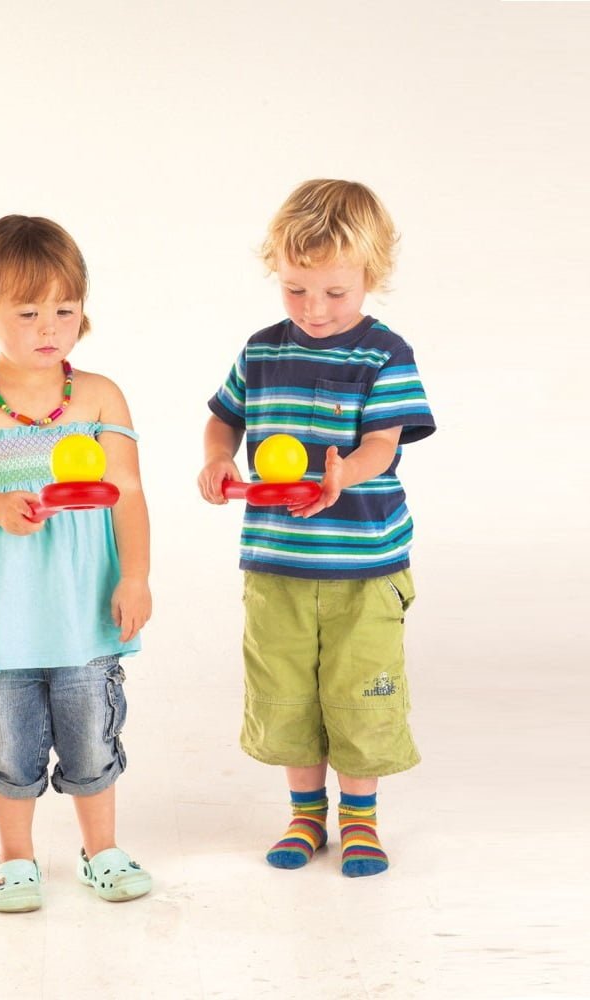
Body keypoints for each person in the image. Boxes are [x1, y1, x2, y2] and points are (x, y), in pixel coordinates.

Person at [197, 180, 436, 877]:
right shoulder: (261, 351)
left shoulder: (384, 353)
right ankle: (306, 815)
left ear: (371, 275)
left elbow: (382, 446)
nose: (314, 308)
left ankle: (359, 819)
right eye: (296, 289)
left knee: (360, 696)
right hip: (277, 565)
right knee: (288, 696)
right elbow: (223, 418)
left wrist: (343, 474)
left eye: (335, 291)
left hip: (364, 566)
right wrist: (217, 459)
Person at [0, 215, 152, 910]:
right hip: (5, 620)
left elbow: (128, 492)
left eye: (65, 309)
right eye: (28, 313)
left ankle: (101, 850)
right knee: (9, 746)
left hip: (85, 613)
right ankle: (15, 859)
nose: (49, 327)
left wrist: (136, 576)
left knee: (92, 740)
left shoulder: (99, 396)